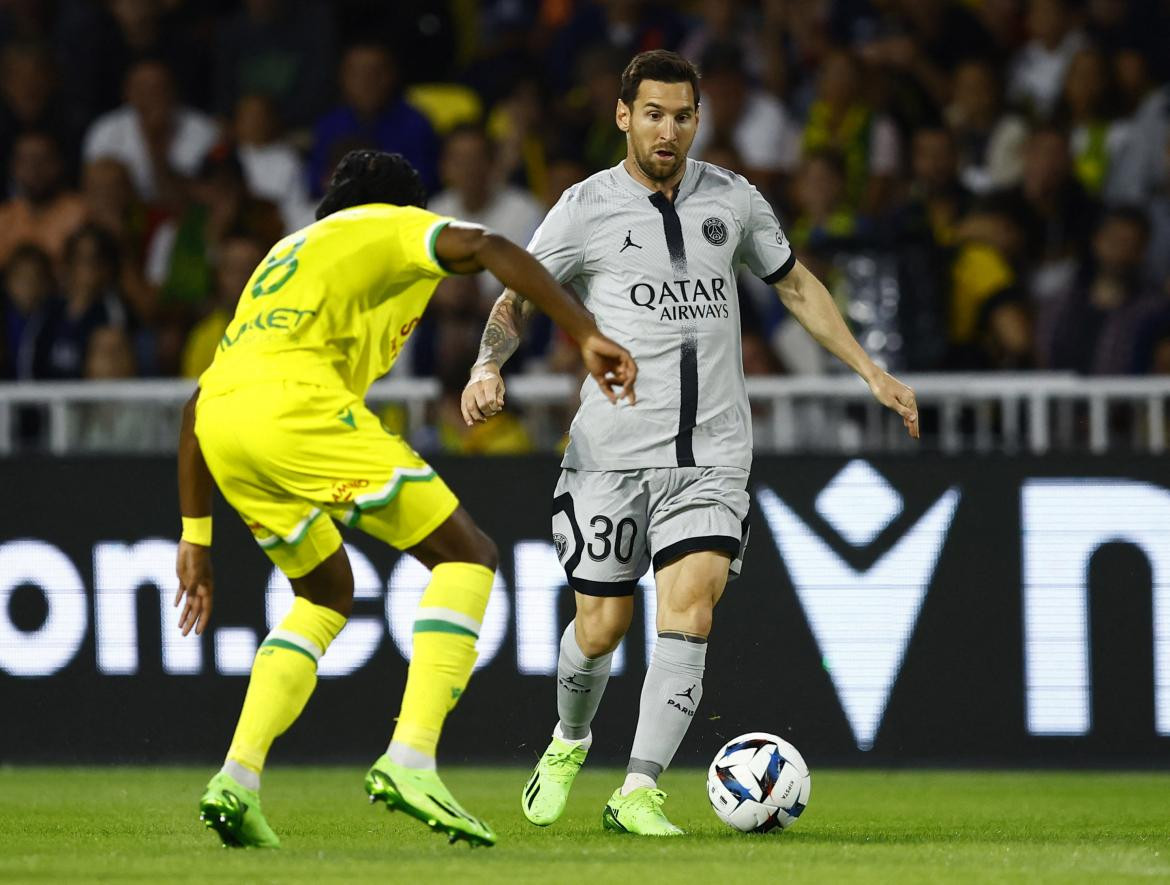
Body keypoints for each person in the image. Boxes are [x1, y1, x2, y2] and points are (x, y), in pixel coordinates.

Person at [462, 50, 918, 837]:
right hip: (609, 456)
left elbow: (797, 282)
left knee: (691, 608)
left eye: (682, 116)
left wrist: (870, 370)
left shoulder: (734, 199)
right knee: (599, 628)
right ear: (622, 116)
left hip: (711, 455)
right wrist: (485, 364)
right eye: (653, 114)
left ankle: (638, 789)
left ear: (697, 120)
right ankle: (572, 736)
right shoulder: (583, 207)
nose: (667, 130)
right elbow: (518, 297)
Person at [174, 149, 636, 850]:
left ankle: (237, 776)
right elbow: (487, 244)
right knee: (468, 556)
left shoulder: (284, 258)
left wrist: (196, 539)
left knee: (326, 592)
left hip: (224, 426)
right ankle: (412, 755)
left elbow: (196, 401)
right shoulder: (380, 226)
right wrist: (587, 331)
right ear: (404, 207)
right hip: (296, 409)